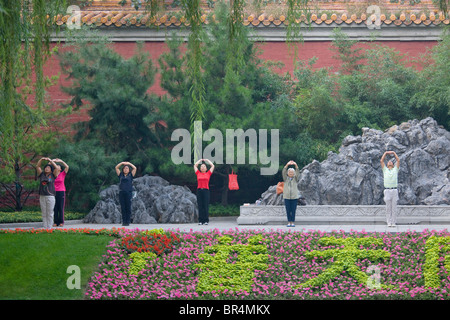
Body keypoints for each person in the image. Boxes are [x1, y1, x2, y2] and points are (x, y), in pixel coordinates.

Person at [36, 157, 61, 229]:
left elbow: (56, 168)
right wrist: (41, 159)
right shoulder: (42, 175)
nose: (46, 168)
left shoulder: (53, 175)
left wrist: (50, 161)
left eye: (48, 167)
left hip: (50, 196)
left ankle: (49, 228)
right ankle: (45, 227)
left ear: (51, 169)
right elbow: (38, 166)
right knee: (44, 213)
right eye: (46, 167)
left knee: (50, 213)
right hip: (42, 196)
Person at [381, 151, 400, 227]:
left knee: (394, 207)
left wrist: (394, 153)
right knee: (388, 208)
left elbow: (398, 160)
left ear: (392, 164)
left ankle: (393, 222)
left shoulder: (395, 169)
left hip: (394, 190)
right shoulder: (385, 170)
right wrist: (385, 153)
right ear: (387, 164)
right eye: (388, 161)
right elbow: (381, 161)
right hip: (387, 190)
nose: (389, 162)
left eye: (391, 162)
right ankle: (389, 222)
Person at [115, 161, 137, 226]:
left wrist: (128, 164)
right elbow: (116, 167)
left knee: (128, 207)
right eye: (124, 168)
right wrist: (122, 163)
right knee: (123, 207)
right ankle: (124, 221)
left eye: (127, 168)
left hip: (129, 192)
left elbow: (135, 168)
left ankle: (128, 221)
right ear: (123, 169)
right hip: (121, 192)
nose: (125, 169)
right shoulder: (120, 175)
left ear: (129, 170)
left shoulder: (131, 175)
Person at [194, 158, 214, 225]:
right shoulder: (198, 173)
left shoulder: (208, 173)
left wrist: (207, 160)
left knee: (205, 206)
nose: (202, 167)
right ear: (200, 168)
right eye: (201, 166)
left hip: (206, 191)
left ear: (206, 168)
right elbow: (195, 165)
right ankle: (200, 220)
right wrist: (200, 160)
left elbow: (212, 166)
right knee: (200, 206)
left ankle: (206, 220)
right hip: (199, 190)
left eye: (204, 166)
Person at [282, 160, 300, 227]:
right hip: (286, 197)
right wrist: (287, 165)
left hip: (294, 197)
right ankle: (289, 222)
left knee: (293, 210)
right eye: (290, 172)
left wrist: (295, 165)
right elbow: (283, 172)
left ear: (294, 173)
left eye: (292, 172)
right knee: (288, 210)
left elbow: (298, 172)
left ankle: (292, 222)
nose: (291, 173)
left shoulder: (295, 179)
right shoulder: (285, 178)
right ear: (288, 173)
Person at [52, 158, 69, 227]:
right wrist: (52, 160)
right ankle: (56, 222)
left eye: (58, 166)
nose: (57, 167)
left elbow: (67, 167)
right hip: (53, 192)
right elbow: (49, 165)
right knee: (55, 207)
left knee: (61, 207)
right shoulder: (53, 175)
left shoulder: (63, 174)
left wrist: (61, 161)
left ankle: (61, 222)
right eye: (56, 166)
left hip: (61, 191)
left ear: (60, 169)